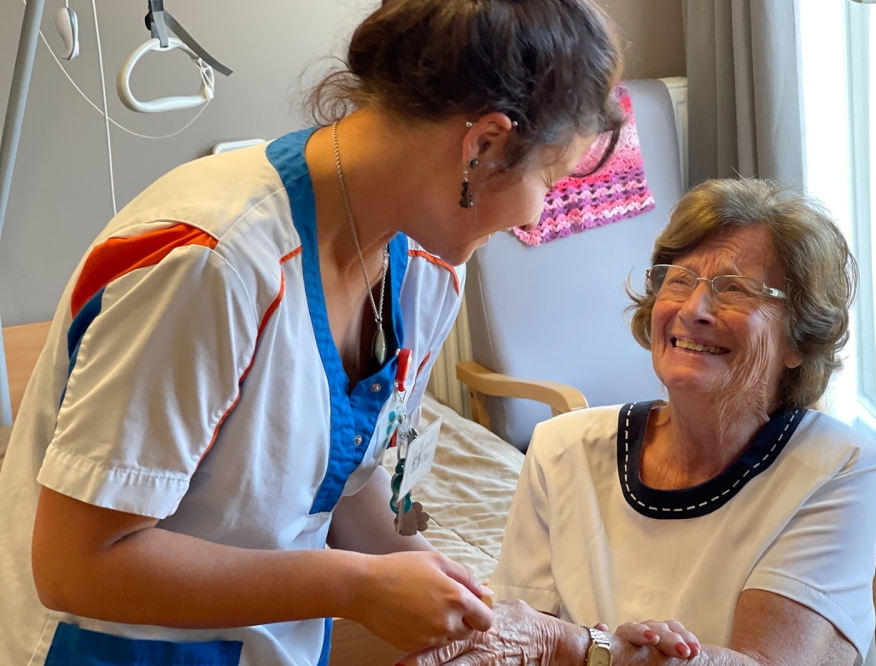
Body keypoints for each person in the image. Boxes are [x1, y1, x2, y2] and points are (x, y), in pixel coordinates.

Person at [0, 0, 625, 663]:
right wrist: (353, 586)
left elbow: (351, 479)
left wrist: (472, 613)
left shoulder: (428, 272)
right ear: (485, 146)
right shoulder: (210, 262)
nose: (537, 215)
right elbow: (78, 565)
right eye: (550, 180)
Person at [406, 179, 876, 666]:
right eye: (679, 280)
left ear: (799, 335)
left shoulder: (840, 469)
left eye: (734, 289)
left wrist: (587, 650)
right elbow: (516, 644)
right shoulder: (563, 449)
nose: (694, 309)